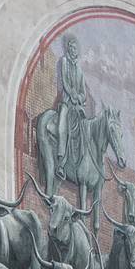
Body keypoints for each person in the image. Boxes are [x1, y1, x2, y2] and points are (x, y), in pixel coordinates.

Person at [55, 34, 88, 170]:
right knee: (62, 127)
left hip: (77, 106)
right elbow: (64, 81)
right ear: (68, 49)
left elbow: (84, 92)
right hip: (66, 103)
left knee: (86, 130)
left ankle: (82, 164)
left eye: (75, 48)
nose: (74, 50)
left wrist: (79, 98)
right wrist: (72, 95)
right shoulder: (63, 61)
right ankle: (61, 161)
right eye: (72, 48)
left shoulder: (80, 70)